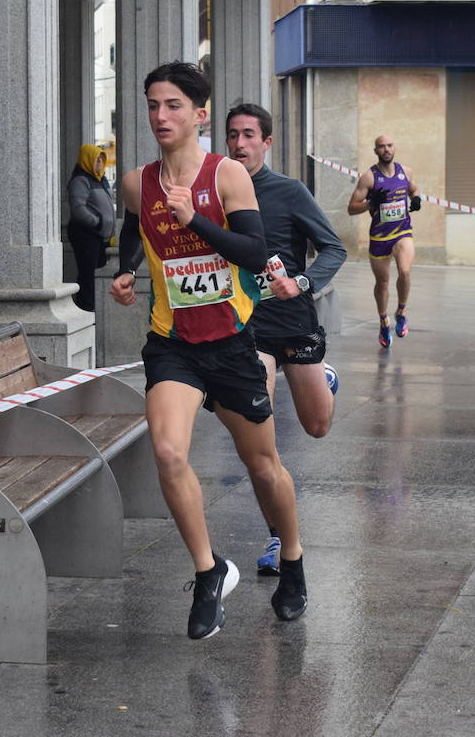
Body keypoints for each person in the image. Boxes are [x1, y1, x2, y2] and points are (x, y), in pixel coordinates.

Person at [110, 62, 308, 639]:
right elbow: (132, 225)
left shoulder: (226, 177)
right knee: (168, 452)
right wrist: (125, 271)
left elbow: (252, 252)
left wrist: (193, 218)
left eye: (172, 105)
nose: (160, 116)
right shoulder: (135, 182)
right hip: (173, 344)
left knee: (262, 466)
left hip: (231, 343)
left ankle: (292, 558)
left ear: (199, 114)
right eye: (152, 105)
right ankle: (208, 570)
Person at [224, 103, 347, 575]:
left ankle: (324, 379)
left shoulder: (289, 191)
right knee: (261, 444)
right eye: (233, 134)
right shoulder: (216, 192)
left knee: (317, 425)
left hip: (293, 320)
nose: (239, 144)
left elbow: (334, 247)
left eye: (249, 135)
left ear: (266, 142)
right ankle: (279, 538)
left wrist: (304, 282)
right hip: (246, 326)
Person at [347, 134, 420, 348]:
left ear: (394, 148)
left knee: (405, 271)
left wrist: (415, 198)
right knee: (383, 283)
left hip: (402, 232)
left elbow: (413, 188)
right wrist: (370, 203)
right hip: (379, 237)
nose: (386, 149)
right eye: (382, 146)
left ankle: (402, 311)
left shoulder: (405, 171)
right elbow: (351, 208)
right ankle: (383, 321)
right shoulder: (369, 177)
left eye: (389, 145)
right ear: (376, 151)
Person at [66, 144, 115, 311]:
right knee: (88, 274)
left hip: (100, 236)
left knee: (96, 272)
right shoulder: (80, 180)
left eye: (101, 160)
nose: (100, 163)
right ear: (88, 160)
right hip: (86, 235)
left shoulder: (100, 180)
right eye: (96, 160)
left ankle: (93, 306)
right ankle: (86, 307)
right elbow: (78, 208)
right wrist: (98, 222)